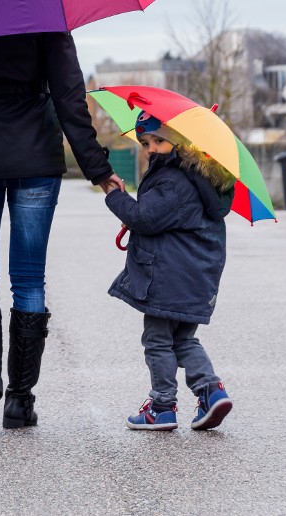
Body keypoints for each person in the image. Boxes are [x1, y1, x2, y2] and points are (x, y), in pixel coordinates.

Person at [0, 30, 123, 430]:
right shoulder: (47, 12)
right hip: (34, 154)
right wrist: (98, 170)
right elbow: (70, 97)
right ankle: (19, 401)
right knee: (29, 280)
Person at [104, 110, 235, 431]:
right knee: (183, 339)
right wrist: (138, 213)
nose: (150, 148)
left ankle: (162, 406)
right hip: (197, 274)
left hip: (167, 275)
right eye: (145, 142)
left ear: (179, 140)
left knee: (158, 339)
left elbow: (146, 218)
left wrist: (115, 197)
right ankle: (210, 391)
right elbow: (161, 217)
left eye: (159, 141)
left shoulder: (173, 178)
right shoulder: (198, 177)